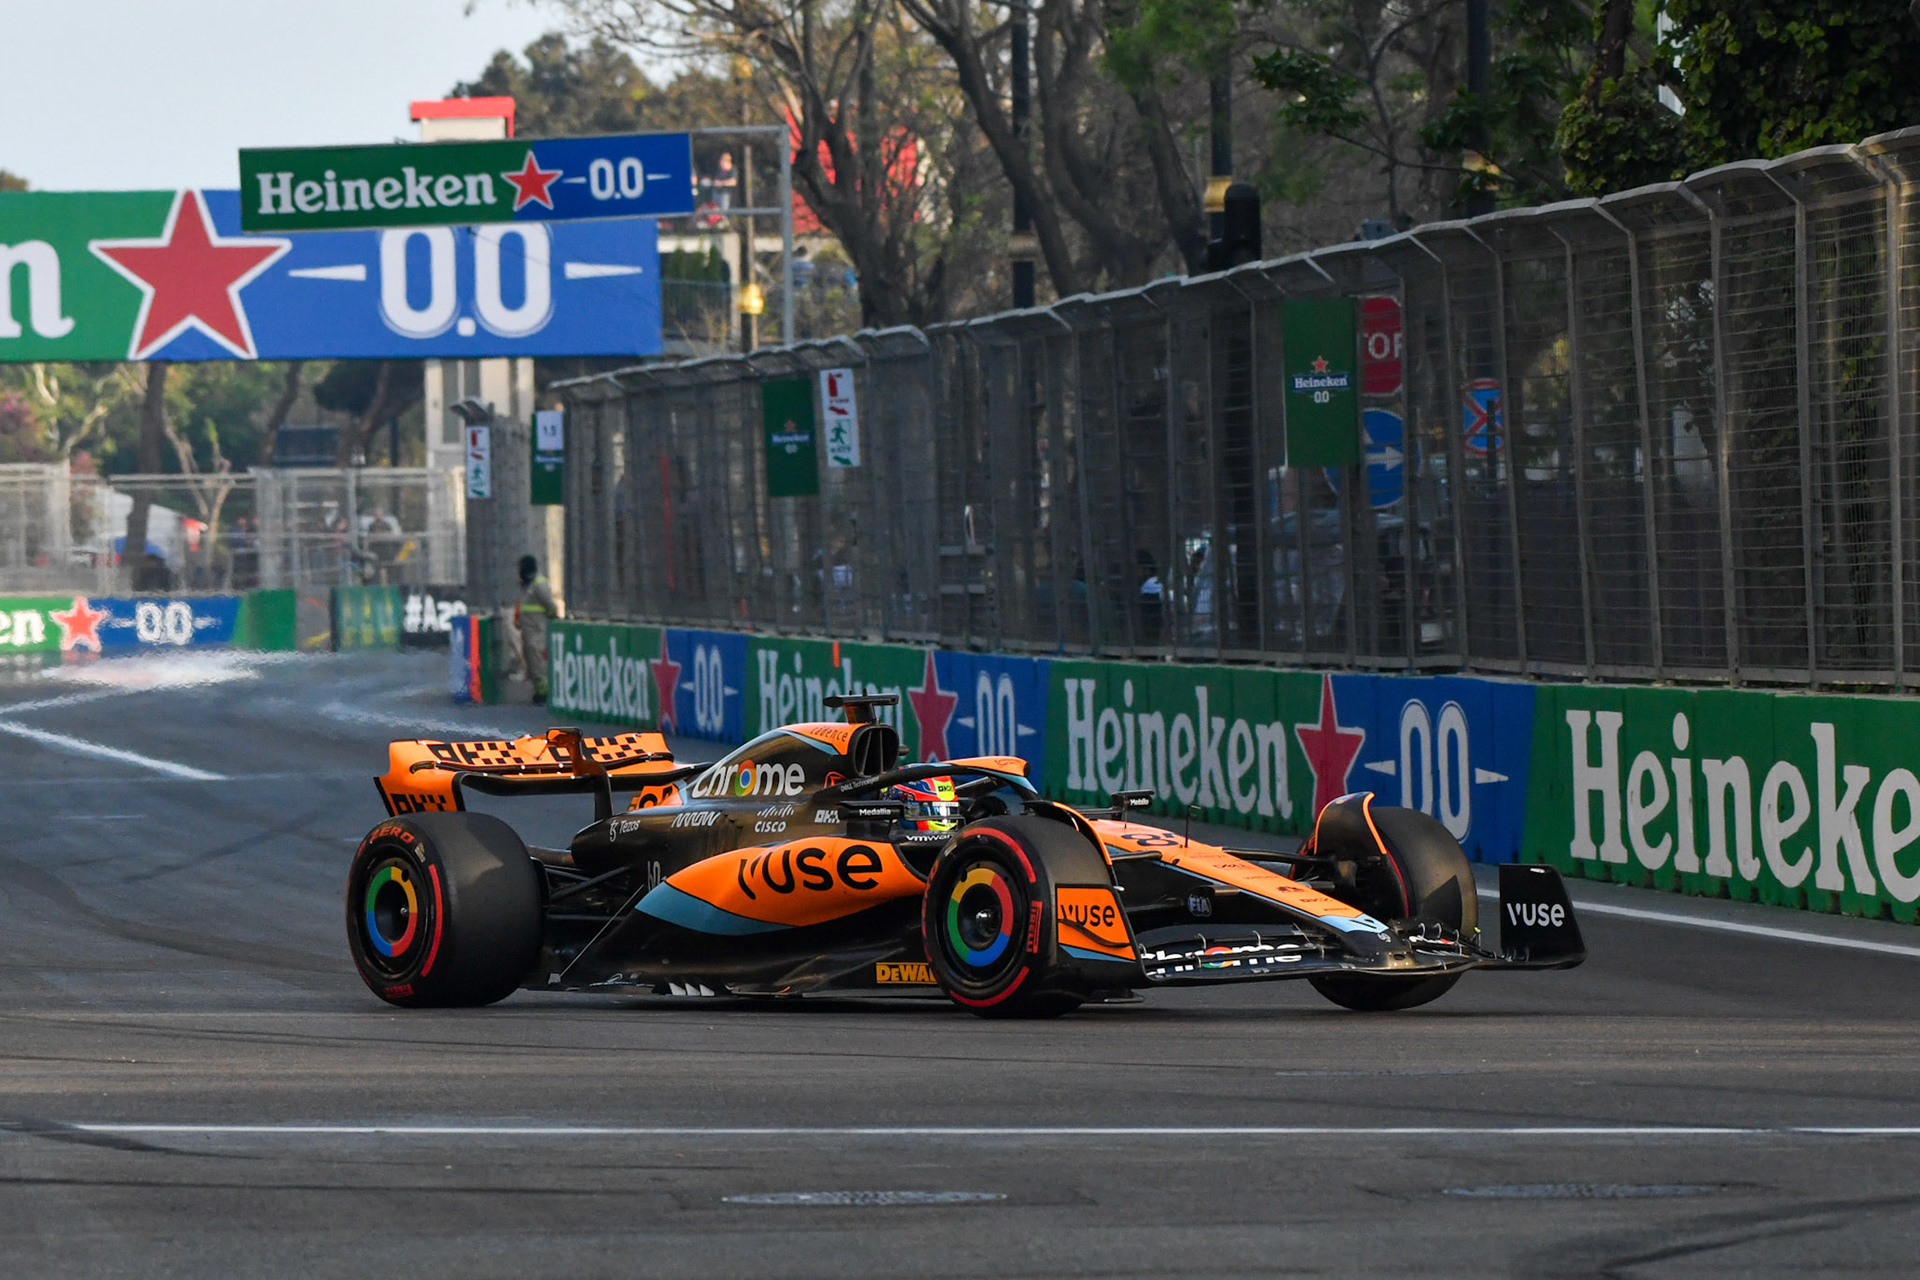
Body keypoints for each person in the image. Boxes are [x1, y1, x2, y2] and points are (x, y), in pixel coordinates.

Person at [516, 555, 562, 704]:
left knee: (536, 659)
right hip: (528, 630)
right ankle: (538, 690)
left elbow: (550, 605)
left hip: (536, 629)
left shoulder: (539, 584)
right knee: (530, 659)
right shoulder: (527, 585)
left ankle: (544, 692)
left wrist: (553, 617)